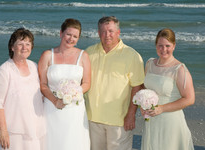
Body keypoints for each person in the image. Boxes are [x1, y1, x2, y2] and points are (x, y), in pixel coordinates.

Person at [84, 16, 145, 150]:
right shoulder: (88, 53)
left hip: (119, 120)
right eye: (103, 31)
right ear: (98, 33)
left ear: (118, 32)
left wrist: (131, 115)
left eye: (111, 31)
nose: (107, 35)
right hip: (92, 118)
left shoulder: (132, 55)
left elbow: (137, 86)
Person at [38, 18, 91, 150]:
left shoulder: (83, 56)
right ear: (61, 33)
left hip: (75, 109)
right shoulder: (47, 55)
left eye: (75, 36)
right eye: (68, 34)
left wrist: (74, 93)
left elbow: (87, 83)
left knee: (73, 142)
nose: (71, 39)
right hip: (51, 108)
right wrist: (55, 100)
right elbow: (43, 84)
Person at [0, 28, 46, 150]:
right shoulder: (3, 71)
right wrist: (3, 131)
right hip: (13, 132)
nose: (24, 47)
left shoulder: (34, 66)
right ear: (12, 47)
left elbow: (40, 95)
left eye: (28, 44)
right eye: (20, 44)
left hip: (34, 128)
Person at [141, 28, 195, 150]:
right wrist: (142, 107)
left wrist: (162, 109)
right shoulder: (149, 64)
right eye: (160, 45)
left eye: (167, 46)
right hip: (151, 121)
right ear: (155, 45)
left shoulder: (179, 69)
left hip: (170, 122)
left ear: (174, 46)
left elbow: (189, 99)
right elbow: (145, 89)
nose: (163, 49)